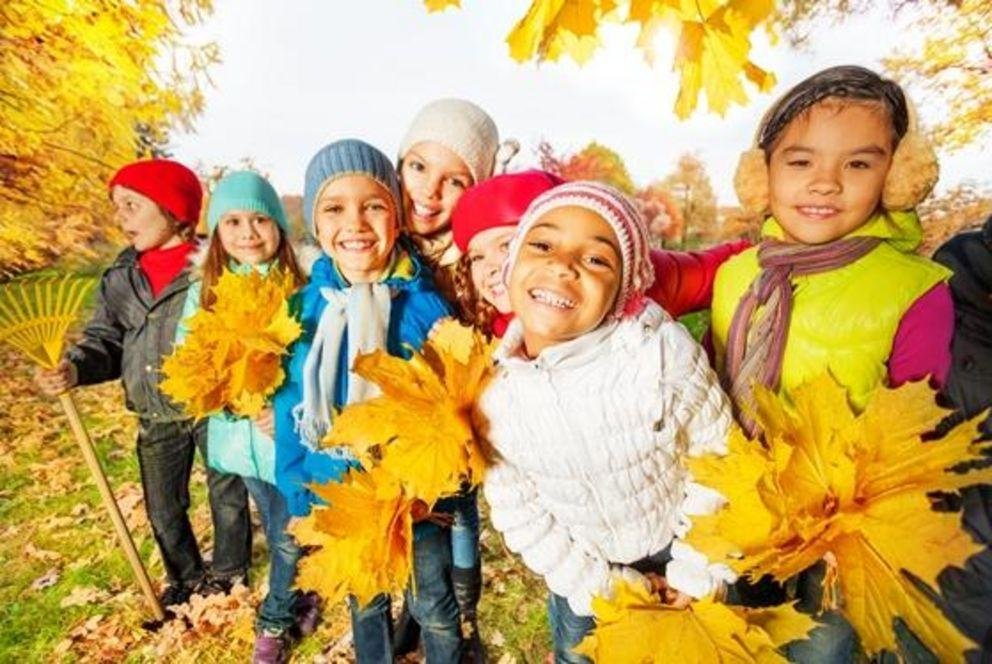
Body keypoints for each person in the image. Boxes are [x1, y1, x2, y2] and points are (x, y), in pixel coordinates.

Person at [710, 65, 954, 662]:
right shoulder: (736, 274)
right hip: (741, 508)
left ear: (896, 178)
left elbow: (914, 430)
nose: (825, 184)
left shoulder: (916, 289)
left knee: (821, 651)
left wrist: (846, 519)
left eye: (858, 164)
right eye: (800, 162)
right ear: (760, 175)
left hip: (840, 536)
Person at [480, 180, 735, 663]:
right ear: (511, 269)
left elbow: (720, 461)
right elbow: (521, 511)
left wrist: (695, 571)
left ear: (623, 291)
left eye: (597, 259)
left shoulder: (659, 357)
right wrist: (598, 586)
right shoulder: (496, 396)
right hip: (584, 570)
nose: (563, 264)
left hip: (677, 546)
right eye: (542, 244)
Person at [272, 139, 461, 663]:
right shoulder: (305, 310)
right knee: (366, 602)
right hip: (341, 491)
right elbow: (292, 409)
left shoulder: (424, 305)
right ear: (316, 223)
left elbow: (453, 404)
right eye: (335, 208)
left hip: (415, 496)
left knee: (434, 602)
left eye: (373, 205)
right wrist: (295, 491)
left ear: (396, 218)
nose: (355, 222)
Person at [34, 159, 252, 609]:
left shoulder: (217, 266)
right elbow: (105, 339)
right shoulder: (121, 277)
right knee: (163, 506)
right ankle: (185, 577)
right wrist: (74, 367)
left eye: (132, 205)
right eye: (117, 207)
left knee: (227, 494)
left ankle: (229, 573)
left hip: (213, 406)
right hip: (153, 408)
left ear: (173, 211)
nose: (121, 218)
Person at [175, 170, 320, 662]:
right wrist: (240, 403)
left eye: (260, 219)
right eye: (232, 221)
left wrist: (285, 409)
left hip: (291, 438)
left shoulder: (298, 288)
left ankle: (276, 617)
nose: (247, 232)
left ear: (279, 225)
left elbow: (313, 360)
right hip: (243, 441)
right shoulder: (207, 292)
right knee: (283, 528)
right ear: (216, 232)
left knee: (290, 528)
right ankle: (292, 601)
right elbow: (191, 362)